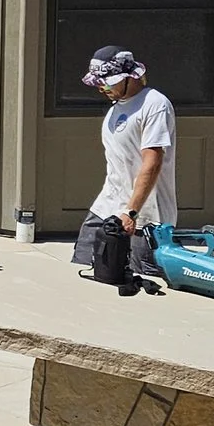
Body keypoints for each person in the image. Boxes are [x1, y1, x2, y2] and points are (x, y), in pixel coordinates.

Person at [76, 46, 176, 284]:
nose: (102, 88)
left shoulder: (154, 104)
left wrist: (131, 213)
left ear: (129, 78)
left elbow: (152, 163)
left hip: (145, 217)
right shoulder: (117, 106)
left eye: (107, 82)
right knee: (83, 271)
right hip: (106, 207)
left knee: (141, 281)